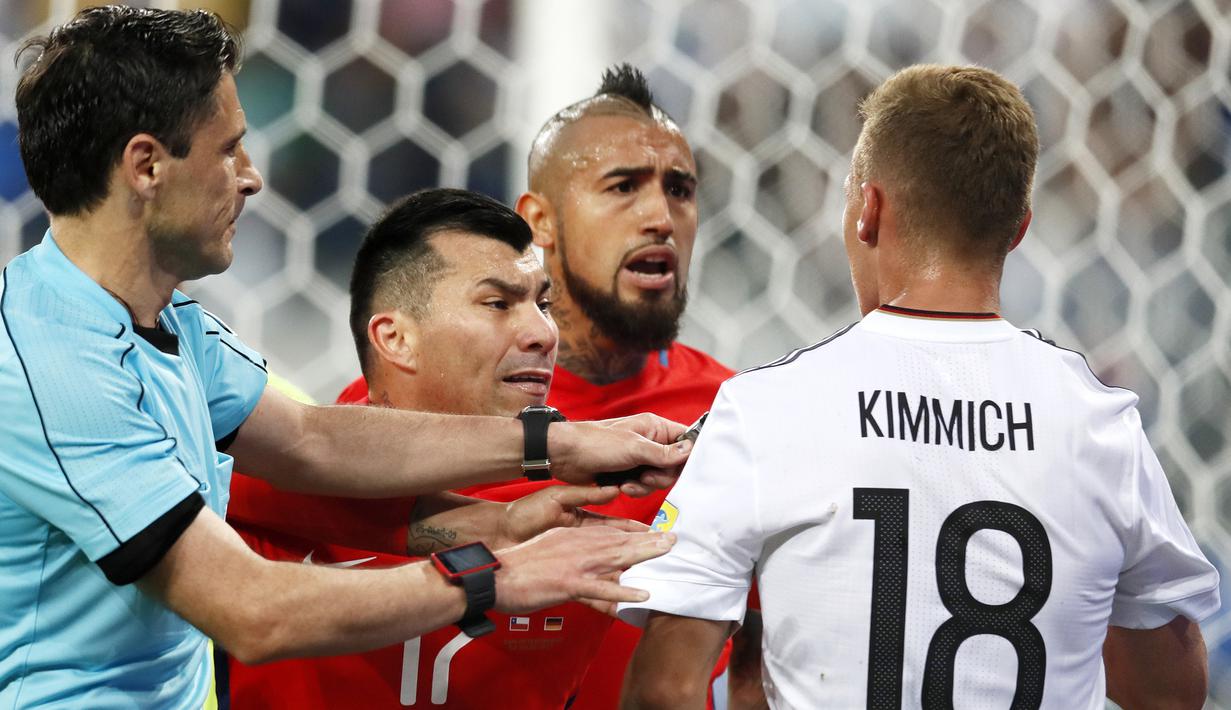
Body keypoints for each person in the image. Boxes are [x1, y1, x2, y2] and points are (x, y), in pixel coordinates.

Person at [0, 8, 688, 707]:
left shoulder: (163, 319)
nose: (251, 177)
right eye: (229, 149)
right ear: (146, 166)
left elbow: (311, 438)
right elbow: (252, 610)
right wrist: (491, 576)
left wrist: (556, 449)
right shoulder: (53, 369)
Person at [617, 64, 1219, 709]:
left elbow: (665, 689)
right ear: (1017, 229)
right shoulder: (1098, 424)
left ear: (868, 212)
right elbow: (1169, 694)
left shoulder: (765, 409)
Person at [331, 64, 756, 708]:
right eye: (623, 186)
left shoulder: (736, 419)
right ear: (541, 220)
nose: (660, 217)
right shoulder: (397, 426)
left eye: (680, 189)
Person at [224, 187, 636, 708]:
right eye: (497, 303)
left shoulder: (596, 504)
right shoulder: (261, 473)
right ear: (396, 338)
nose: (543, 333)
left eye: (543, 303)